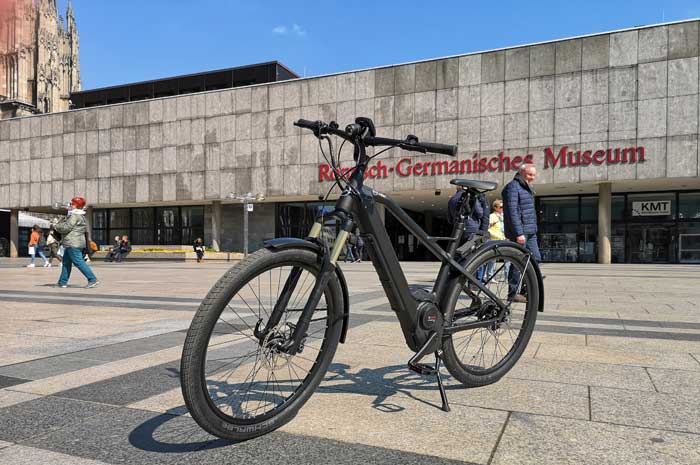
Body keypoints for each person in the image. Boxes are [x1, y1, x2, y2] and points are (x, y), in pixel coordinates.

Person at [502, 164, 540, 302]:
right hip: (520, 232)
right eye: (530, 174)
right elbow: (512, 212)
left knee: (535, 258)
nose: (532, 178)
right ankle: (513, 293)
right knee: (517, 261)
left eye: (534, 175)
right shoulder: (512, 187)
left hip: (530, 231)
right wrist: (518, 233)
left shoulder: (526, 188)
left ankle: (526, 289)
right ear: (522, 173)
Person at [54, 197, 99, 288]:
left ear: (76, 206)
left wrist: (56, 226)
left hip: (72, 243)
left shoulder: (74, 216)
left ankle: (92, 279)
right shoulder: (80, 215)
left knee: (79, 262)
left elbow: (66, 227)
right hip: (74, 243)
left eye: (71, 204)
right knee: (66, 262)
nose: (69, 205)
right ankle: (62, 282)